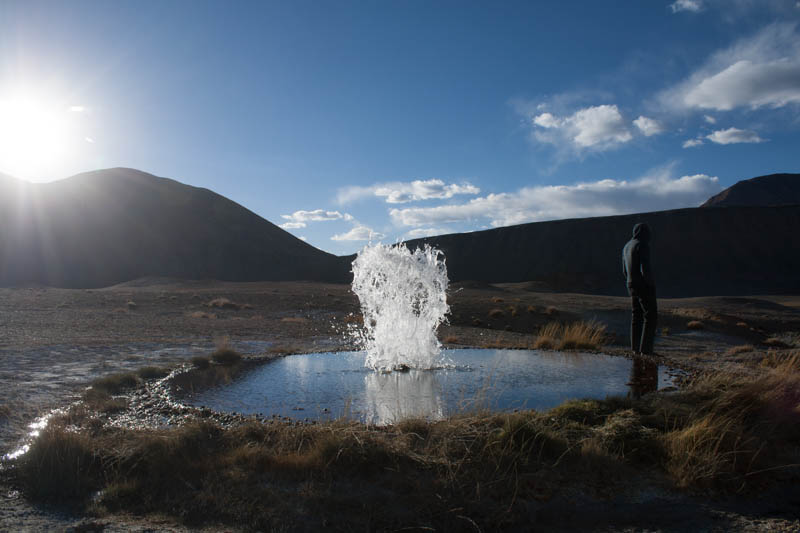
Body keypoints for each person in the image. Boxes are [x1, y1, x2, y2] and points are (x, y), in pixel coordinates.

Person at [622, 223, 657, 355]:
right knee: (650, 315)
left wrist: (630, 281)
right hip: (643, 284)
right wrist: (650, 284)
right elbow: (645, 268)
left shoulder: (626, 246)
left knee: (636, 316)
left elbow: (624, 270)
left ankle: (635, 349)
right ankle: (646, 350)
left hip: (630, 284)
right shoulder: (642, 244)